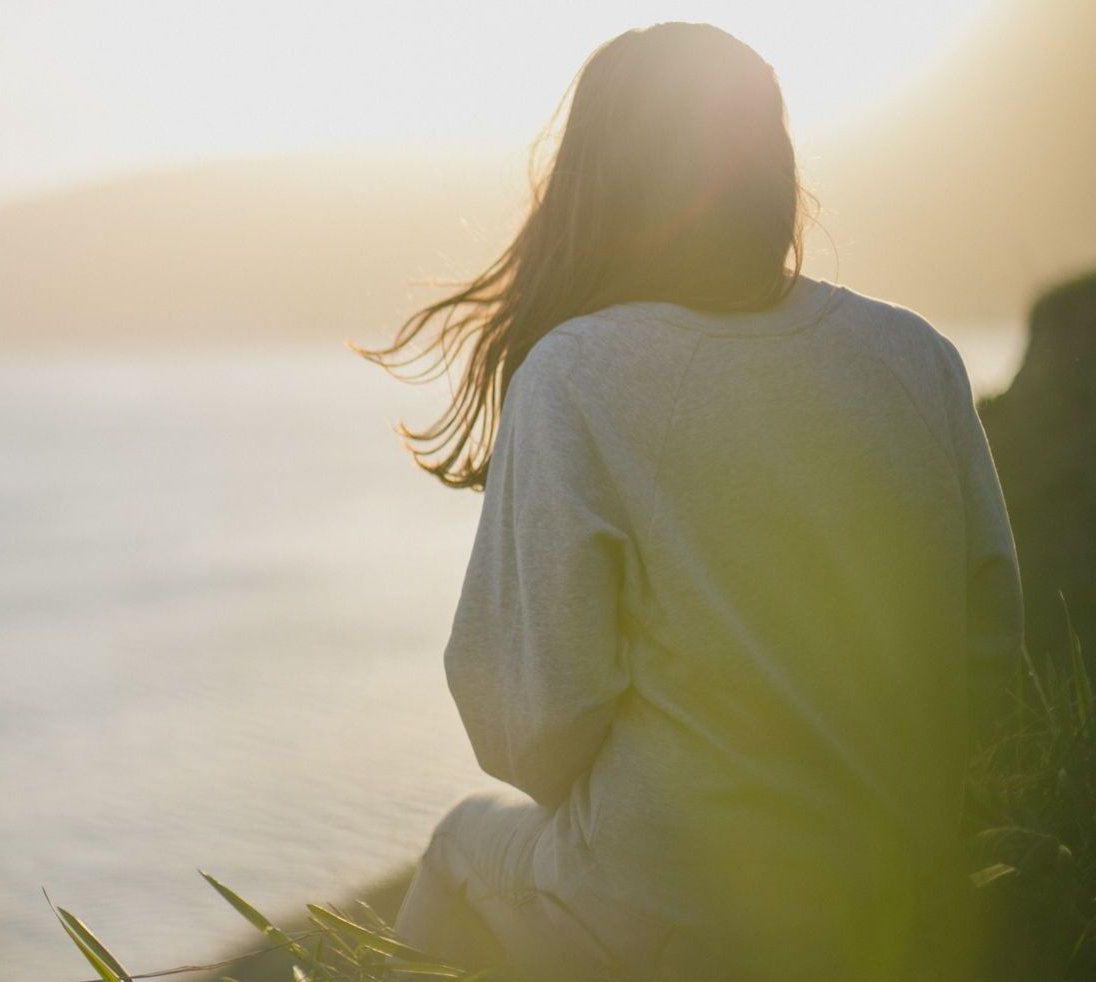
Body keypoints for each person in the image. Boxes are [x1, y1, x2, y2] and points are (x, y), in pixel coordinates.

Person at [356, 22, 1026, 982]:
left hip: (679, 918)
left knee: (463, 846)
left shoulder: (578, 371)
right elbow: (988, 650)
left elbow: (531, 736)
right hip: (898, 891)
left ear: (597, 183)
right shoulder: (917, 353)